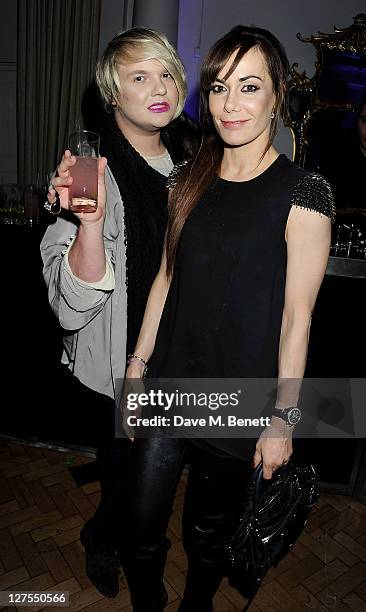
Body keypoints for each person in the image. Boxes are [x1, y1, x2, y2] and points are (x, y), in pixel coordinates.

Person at [114, 25, 335, 611]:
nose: (231, 104)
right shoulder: (188, 180)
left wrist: (283, 419)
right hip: (170, 383)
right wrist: (135, 368)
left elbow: (297, 317)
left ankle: (195, 606)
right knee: (137, 527)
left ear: (275, 95)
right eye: (218, 87)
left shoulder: (304, 192)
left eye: (249, 86)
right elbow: (165, 279)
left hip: (241, 394)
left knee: (206, 536)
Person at [40, 27, 198, 599]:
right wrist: (86, 224)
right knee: (125, 467)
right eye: (139, 76)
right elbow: (71, 303)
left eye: (166, 74)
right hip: (119, 354)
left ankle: (130, 524)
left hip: (177, 344)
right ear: (114, 93)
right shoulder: (90, 165)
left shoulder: (194, 154)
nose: (158, 87)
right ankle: (107, 539)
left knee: (150, 469)